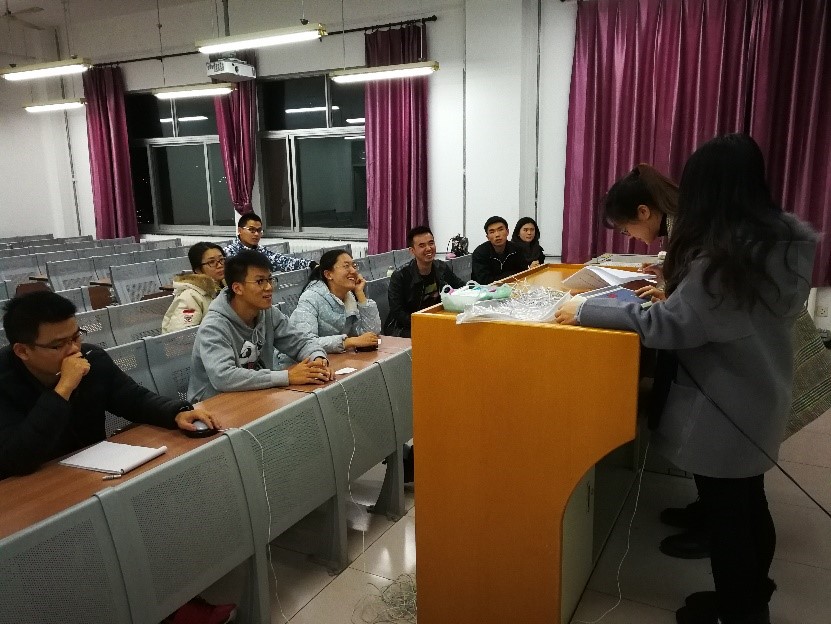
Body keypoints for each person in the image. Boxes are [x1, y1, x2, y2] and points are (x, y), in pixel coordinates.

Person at [555, 134, 816, 624]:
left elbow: (668, 326)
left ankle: (740, 611)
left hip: (726, 408)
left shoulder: (723, 259)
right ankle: (751, 597)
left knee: (729, 520)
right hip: (760, 394)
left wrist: (586, 309)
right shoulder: (777, 245)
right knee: (748, 504)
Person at [0, 291, 220, 479]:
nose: (74, 349)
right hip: (31, 489)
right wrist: (64, 388)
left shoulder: (92, 358)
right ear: (23, 351)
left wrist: (176, 413)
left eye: (75, 337)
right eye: (58, 345)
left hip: (95, 473)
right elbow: (17, 458)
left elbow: (135, 399)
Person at [188, 250, 332, 403]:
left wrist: (318, 359)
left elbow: (300, 342)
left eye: (270, 279)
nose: (269, 287)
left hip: (256, 393)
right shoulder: (213, 326)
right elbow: (223, 377)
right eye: (260, 281)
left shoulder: (267, 313)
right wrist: (287, 377)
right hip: (214, 403)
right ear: (237, 288)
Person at [602, 163, 680, 301]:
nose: (630, 236)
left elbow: (694, 295)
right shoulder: (677, 223)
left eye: (625, 229)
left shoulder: (686, 231)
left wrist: (667, 297)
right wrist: (665, 273)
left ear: (643, 212)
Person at [290, 249, 381, 353]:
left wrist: (360, 294)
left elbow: (371, 335)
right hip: (304, 360)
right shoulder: (310, 298)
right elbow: (305, 342)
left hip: (335, 358)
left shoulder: (349, 297)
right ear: (328, 274)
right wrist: (347, 342)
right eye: (346, 266)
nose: (353, 271)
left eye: (354, 266)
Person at [384, 225, 465, 338]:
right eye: (422, 245)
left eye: (431, 243)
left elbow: (461, 287)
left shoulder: (441, 267)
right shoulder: (400, 276)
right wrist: (424, 323)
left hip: (433, 320)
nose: (428, 248)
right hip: (404, 327)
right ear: (412, 251)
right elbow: (398, 313)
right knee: (433, 336)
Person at [162, 242, 226, 334]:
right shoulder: (190, 297)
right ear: (197, 270)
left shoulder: (228, 287)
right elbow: (182, 336)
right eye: (211, 262)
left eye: (221, 260)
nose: (220, 265)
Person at [223, 213, 314, 273]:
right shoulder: (228, 253)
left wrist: (310, 264)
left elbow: (283, 261)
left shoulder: (261, 251)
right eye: (251, 230)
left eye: (259, 230)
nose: (256, 234)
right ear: (239, 230)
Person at [471, 216, 528, 284]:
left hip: (515, 287)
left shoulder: (517, 249)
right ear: (487, 237)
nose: (497, 235)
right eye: (492, 232)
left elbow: (523, 273)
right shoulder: (480, 253)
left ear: (507, 232)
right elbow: (484, 281)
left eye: (500, 230)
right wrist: (510, 275)